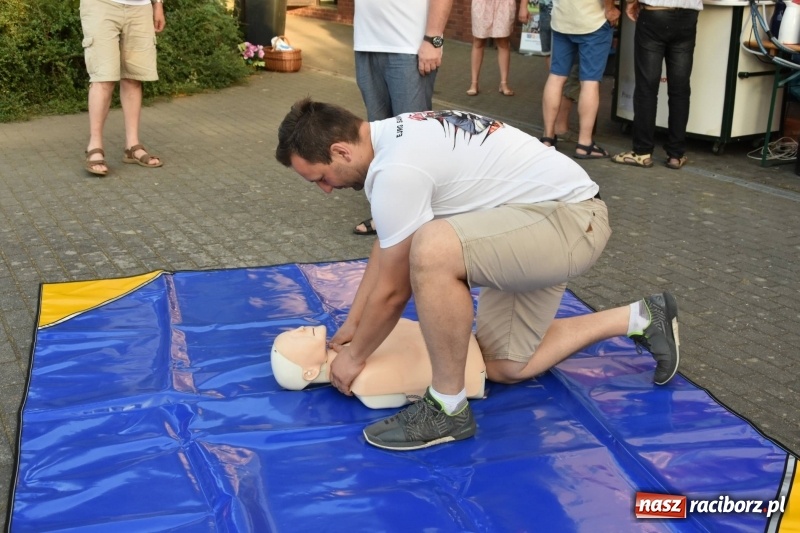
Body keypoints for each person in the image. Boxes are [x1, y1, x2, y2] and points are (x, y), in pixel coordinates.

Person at [275, 99, 681, 451]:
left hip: (571, 220)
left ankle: (447, 407)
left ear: (341, 151)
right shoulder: (391, 138)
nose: (325, 189)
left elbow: (395, 290)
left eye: (321, 178)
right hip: (533, 218)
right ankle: (642, 317)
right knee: (504, 365)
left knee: (432, 249)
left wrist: (355, 357)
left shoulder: (395, 169)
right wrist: (353, 324)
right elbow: (386, 248)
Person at [351, 0, 452, 236]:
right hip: (366, 43)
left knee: (412, 139)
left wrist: (434, 39)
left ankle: (418, 215)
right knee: (381, 139)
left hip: (408, 45)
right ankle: (389, 211)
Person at [271, 319, 486, 409]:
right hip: (479, 367)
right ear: (309, 373)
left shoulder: (361, 340)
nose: (299, 329)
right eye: (293, 339)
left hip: (467, 338)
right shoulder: (365, 382)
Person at [611, 0, 702, 170]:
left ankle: (642, 152)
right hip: (688, 16)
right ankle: (676, 155)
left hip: (654, 13)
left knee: (647, 87)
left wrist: (631, 3)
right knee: (680, 89)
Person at [81, 0, 165, 177]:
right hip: (102, 5)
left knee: (134, 78)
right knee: (103, 78)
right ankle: (94, 146)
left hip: (141, 7)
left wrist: (158, 4)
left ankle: (132, 146)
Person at [539, 0, 619, 159]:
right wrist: (610, 9)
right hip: (592, 20)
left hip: (562, 19)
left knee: (556, 77)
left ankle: (547, 137)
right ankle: (584, 144)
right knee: (590, 81)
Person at [466, 0, 521, 97]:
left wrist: (524, 5)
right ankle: (474, 83)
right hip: (482, 3)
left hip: (504, 4)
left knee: (503, 42)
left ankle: (504, 83)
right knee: (478, 41)